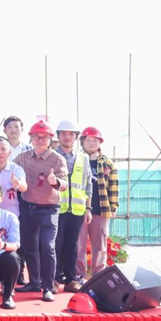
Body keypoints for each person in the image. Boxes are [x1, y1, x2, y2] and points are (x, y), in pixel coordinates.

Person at [14, 120, 69, 302]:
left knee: (47, 246)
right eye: (36, 137)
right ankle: (34, 282)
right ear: (30, 138)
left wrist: (56, 182)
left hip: (48, 210)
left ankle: (48, 287)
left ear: (50, 139)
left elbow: (64, 184)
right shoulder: (22, 157)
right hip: (27, 207)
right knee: (29, 247)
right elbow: (8, 169)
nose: (40, 140)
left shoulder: (57, 159)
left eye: (44, 137)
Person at [76, 126, 119, 283]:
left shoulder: (107, 163)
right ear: (82, 142)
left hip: (101, 210)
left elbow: (114, 186)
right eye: (88, 140)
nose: (92, 143)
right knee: (79, 246)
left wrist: (113, 206)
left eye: (95, 140)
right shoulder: (77, 159)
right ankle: (78, 276)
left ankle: (98, 277)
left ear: (100, 142)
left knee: (100, 246)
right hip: (79, 209)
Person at [53, 121, 93, 292]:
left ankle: (71, 280)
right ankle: (54, 279)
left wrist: (88, 209)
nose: (67, 137)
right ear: (58, 136)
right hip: (56, 208)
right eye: (63, 134)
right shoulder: (51, 156)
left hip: (77, 209)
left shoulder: (83, 158)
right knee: (55, 245)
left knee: (72, 245)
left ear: (76, 137)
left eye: (71, 134)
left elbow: (88, 185)